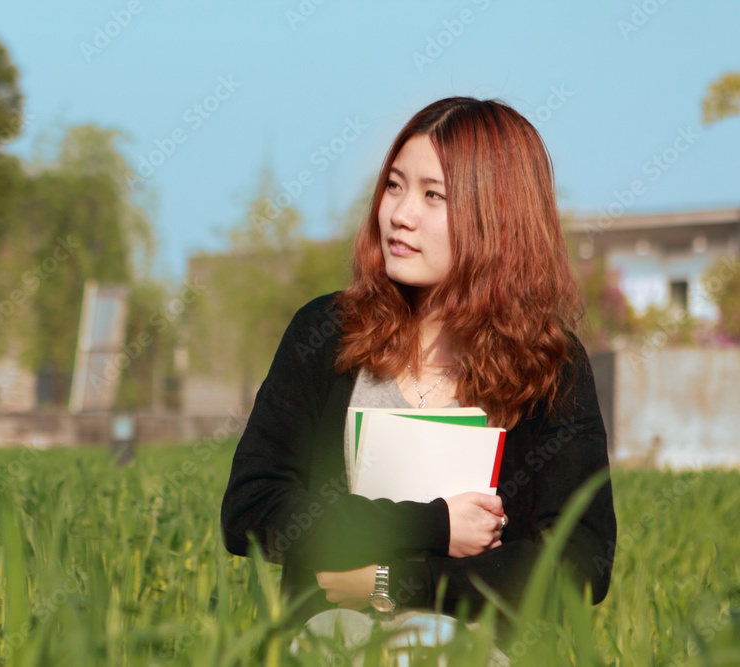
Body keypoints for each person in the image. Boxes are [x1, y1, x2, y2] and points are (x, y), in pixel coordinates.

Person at [220, 96, 617, 626]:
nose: (399, 215)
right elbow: (252, 508)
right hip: (328, 641)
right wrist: (434, 526)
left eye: (434, 195)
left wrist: (397, 584)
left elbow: (579, 563)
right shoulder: (326, 333)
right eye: (394, 185)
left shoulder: (552, 363)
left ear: (498, 217)